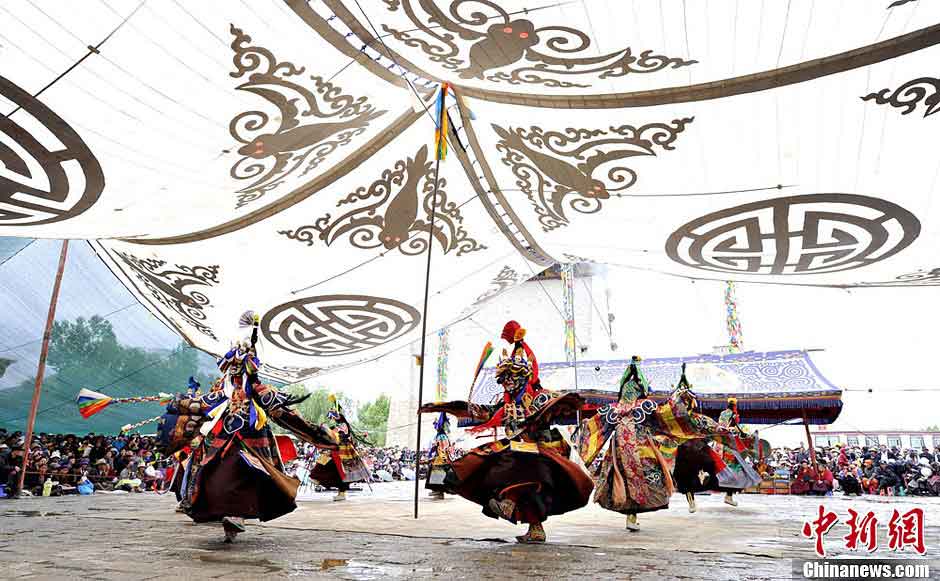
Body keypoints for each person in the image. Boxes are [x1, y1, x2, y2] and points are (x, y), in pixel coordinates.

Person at [163, 312, 340, 543]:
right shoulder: (221, 392)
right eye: (231, 366)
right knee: (215, 478)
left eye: (238, 365)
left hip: (251, 447)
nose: (234, 370)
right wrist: (177, 402)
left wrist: (316, 434)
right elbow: (202, 404)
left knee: (244, 479)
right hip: (222, 445)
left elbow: (285, 415)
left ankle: (236, 517)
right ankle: (225, 517)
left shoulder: (260, 392)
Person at [419, 321, 593, 543]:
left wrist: (562, 403)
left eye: (511, 377)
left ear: (523, 377)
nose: (507, 382)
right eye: (504, 379)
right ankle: (532, 525)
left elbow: (559, 404)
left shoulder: (539, 398)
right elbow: (481, 412)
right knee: (483, 464)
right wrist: (445, 406)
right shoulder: (505, 404)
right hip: (516, 450)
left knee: (523, 467)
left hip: (540, 452)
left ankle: (513, 506)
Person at [578, 356, 734, 532]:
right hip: (641, 446)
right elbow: (667, 416)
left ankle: (631, 516)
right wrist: (679, 400)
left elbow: (593, 428)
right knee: (646, 477)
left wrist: (580, 447)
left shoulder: (612, 408)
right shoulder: (645, 406)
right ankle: (632, 516)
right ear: (641, 390)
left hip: (619, 449)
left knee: (623, 479)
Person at [309, 395, 371, 501]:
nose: (332, 418)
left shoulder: (342, 425)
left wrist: (325, 428)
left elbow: (335, 437)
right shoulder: (342, 424)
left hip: (342, 451)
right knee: (333, 468)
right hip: (339, 450)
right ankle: (334, 489)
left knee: (335, 468)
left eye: (333, 417)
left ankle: (319, 480)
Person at [424, 412, 455, 500]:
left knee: (437, 474)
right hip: (440, 457)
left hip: (441, 458)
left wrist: (436, 455)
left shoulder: (441, 435)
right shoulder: (442, 435)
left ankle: (439, 491)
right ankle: (437, 491)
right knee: (436, 474)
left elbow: (442, 447)